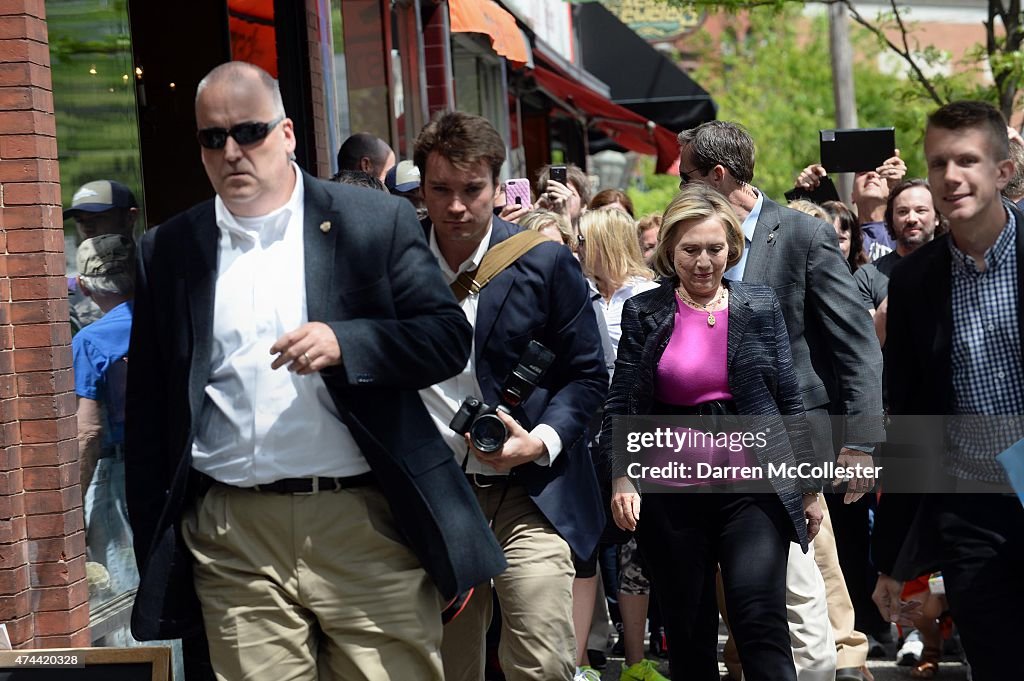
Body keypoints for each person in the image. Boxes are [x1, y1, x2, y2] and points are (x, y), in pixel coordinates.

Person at [124, 62, 505, 681]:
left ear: (288, 134)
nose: (231, 152)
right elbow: (148, 411)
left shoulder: (369, 223)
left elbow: (444, 339)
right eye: (212, 138)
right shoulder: (169, 250)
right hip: (233, 533)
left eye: (248, 131)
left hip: (362, 520)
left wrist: (347, 343)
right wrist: (157, 543)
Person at [678, 120, 885, 681]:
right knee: (743, 597)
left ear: (718, 176)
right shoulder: (689, 239)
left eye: (686, 176)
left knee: (802, 584)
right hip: (709, 443)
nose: (680, 189)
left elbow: (855, 340)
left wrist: (862, 442)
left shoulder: (799, 234)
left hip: (791, 437)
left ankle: (838, 665)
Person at [414, 110, 608, 681]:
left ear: (499, 189)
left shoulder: (543, 263)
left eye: (472, 190)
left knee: (543, 661)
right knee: (449, 667)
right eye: (440, 190)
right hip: (434, 496)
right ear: (421, 189)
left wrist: (539, 442)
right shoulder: (393, 263)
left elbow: (589, 375)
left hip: (531, 494)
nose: (455, 206)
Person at [603, 183, 823, 681]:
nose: (704, 262)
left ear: (732, 247)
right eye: (690, 250)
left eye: (715, 248)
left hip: (753, 490)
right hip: (672, 491)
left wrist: (809, 488)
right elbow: (622, 403)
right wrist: (622, 477)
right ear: (669, 251)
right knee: (688, 631)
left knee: (760, 622)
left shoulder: (760, 305)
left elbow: (790, 400)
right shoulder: (645, 312)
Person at [873, 100, 1024, 681]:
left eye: (967, 160)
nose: (951, 177)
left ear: (1003, 170)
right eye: (938, 163)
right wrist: (888, 560)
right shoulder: (914, 281)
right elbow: (909, 417)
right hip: (972, 508)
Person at [576, 207, 664, 681]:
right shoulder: (576, 295)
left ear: (605, 243)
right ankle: (580, 662)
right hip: (586, 432)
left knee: (634, 547)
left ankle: (635, 663)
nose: (577, 249)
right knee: (586, 545)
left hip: (641, 431)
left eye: (584, 241)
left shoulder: (649, 294)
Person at [73, 234, 139, 606]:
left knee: (124, 592)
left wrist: (72, 506)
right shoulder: (175, 320)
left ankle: (144, 666)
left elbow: (88, 431)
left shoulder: (90, 342)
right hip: (181, 468)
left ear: (82, 285)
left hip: (118, 475)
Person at [854, 179, 944, 346]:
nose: (911, 218)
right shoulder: (867, 277)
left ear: (937, 217)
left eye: (921, 210)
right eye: (902, 212)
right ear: (891, 220)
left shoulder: (958, 266)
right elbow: (866, 347)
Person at [794, 153, 907, 261]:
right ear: (852, 195)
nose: (871, 174)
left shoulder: (907, 228)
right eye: (862, 172)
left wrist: (898, 190)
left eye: (879, 171)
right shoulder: (840, 232)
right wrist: (805, 192)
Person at [63, 179, 139, 331]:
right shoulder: (70, 291)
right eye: (80, 220)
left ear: (130, 217)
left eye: (98, 217)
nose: (86, 227)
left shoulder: (157, 273)